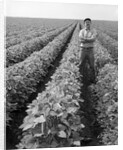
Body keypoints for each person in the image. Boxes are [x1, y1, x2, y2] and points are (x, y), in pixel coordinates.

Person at [79, 18, 98, 83]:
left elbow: (93, 39)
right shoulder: (81, 31)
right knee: (81, 64)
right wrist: (89, 39)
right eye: (86, 22)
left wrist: (85, 40)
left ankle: (92, 79)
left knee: (92, 65)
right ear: (84, 24)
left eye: (88, 22)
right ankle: (80, 79)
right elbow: (80, 39)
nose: (87, 23)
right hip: (83, 49)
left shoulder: (94, 31)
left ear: (90, 23)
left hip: (90, 50)